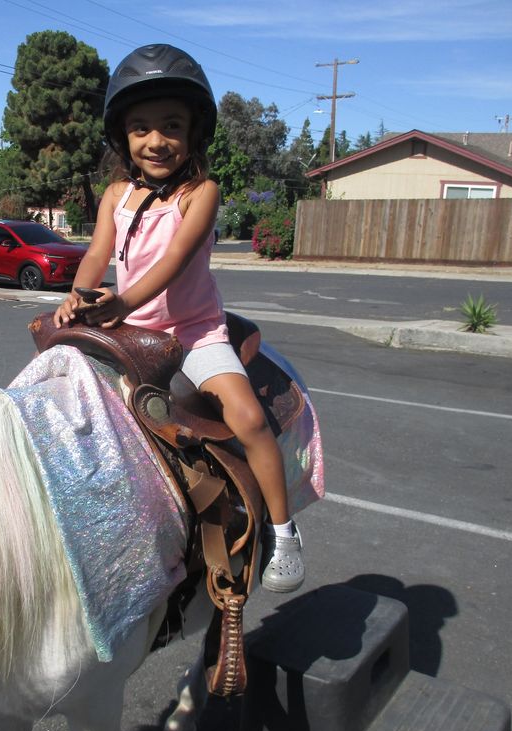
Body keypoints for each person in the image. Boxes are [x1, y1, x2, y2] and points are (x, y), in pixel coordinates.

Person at [53, 44, 304, 593]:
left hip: (191, 332)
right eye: (140, 128)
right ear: (123, 137)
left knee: (248, 416)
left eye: (171, 125)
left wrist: (119, 302)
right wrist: (80, 296)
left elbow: (173, 263)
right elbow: (97, 254)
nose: (156, 140)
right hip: (127, 330)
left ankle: (282, 531)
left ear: (194, 133)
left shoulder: (202, 193)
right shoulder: (116, 194)